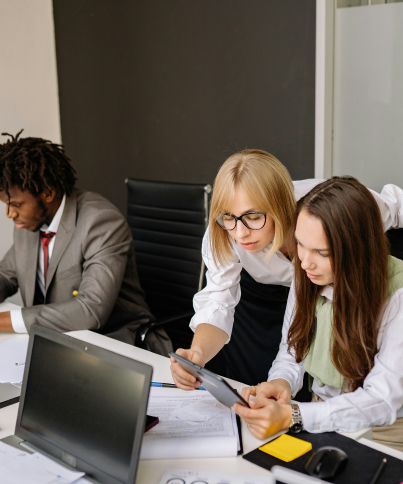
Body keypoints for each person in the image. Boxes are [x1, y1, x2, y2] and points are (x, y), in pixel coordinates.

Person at [170, 149, 403, 388]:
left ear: (279, 206)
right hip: (273, 293)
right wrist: (197, 354)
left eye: (253, 217)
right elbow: (218, 303)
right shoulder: (224, 231)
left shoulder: (334, 210)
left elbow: (397, 207)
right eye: (228, 217)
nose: (240, 233)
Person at [234, 177, 403, 452]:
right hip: (318, 415)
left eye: (322, 252)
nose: (304, 262)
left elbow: (382, 400)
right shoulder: (308, 272)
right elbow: (293, 350)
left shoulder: (398, 296)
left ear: (359, 249)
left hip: (383, 433)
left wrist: (294, 415)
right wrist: (280, 382)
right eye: (300, 244)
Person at [0, 131, 172, 354]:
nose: (10, 214)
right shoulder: (30, 222)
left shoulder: (100, 222)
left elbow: (90, 310)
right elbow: (6, 275)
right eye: (6, 205)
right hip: (56, 341)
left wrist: (5, 320)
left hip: (116, 341)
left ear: (48, 193)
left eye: (16, 205)